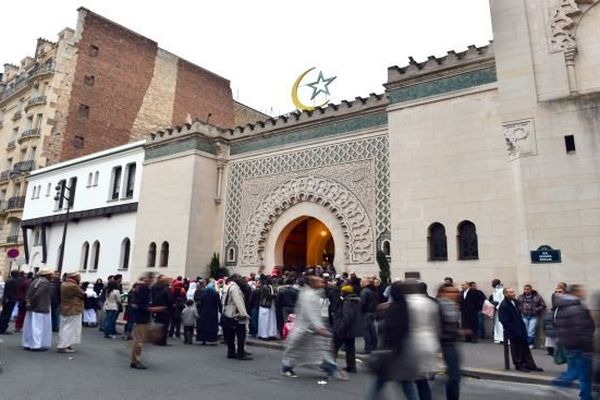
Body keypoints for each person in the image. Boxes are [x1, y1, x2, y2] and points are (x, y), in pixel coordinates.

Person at [281, 275, 347, 380]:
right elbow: (310, 312)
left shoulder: (315, 294)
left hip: (313, 329)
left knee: (321, 350)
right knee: (297, 350)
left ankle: (331, 369)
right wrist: (318, 326)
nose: (323, 284)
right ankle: (287, 367)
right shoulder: (308, 295)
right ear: (313, 283)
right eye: (320, 282)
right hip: (305, 329)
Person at [366, 281, 416, 400]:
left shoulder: (394, 309)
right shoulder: (405, 307)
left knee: (381, 382)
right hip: (402, 351)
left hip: (392, 351)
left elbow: (390, 330)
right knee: (406, 384)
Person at [553, 284, 595, 400]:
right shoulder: (576, 308)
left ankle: (561, 384)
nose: (584, 293)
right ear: (575, 293)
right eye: (581, 291)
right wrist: (588, 346)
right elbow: (581, 328)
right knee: (583, 374)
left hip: (568, 344)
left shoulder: (562, 307)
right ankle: (585, 396)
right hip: (579, 345)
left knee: (574, 371)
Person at [498, 287, 543, 372]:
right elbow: (503, 320)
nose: (513, 293)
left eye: (513, 292)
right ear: (505, 294)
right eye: (510, 292)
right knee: (516, 349)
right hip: (513, 330)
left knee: (525, 348)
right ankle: (519, 365)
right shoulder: (504, 305)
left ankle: (530, 364)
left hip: (520, 328)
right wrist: (512, 329)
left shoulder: (515, 302)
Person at [129, 273, 164, 369]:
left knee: (143, 338)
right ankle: (135, 361)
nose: (154, 280)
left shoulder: (147, 289)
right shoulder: (143, 289)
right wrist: (153, 309)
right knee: (139, 341)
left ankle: (135, 356)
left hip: (144, 317)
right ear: (148, 279)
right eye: (152, 278)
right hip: (141, 318)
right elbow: (140, 304)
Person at [437, 283, 462, 400]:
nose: (455, 294)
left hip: (451, 343)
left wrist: (459, 332)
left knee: (454, 376)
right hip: (443, 344)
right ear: (442, 294)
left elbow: (452, 326)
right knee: (454, 376)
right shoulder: (437, 306)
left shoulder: (453, 306)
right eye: (451, 292)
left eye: (456, 292)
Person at [332, 284, 362, 373]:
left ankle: (330, 365)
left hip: (344, 329)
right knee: (350, 348)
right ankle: (351, 367)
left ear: (344, 293)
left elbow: (347, 317)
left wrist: (340, 329)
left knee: (334, 346)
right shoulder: (355, 301)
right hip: (351, 329)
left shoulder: (347, 302)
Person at [221, 274, 251, 360]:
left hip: (228, 313)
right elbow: (238, 302)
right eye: (240, 278)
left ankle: (231, 352)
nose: (241, 280)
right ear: (236, 279)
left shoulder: (228, 287)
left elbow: (223, 301)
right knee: (241, 335)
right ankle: (240, 354)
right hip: (236, 315)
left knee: (230, 335)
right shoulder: (235, 288)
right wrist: (244, 314)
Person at [22, 269, 53, 351]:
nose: (52, 276)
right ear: (47, 275)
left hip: (33, 307)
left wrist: (28, 302)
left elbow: (29, 293)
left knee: (30, 326)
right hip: (40, 307)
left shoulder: (35, 280)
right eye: (51, 274)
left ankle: (28, 343)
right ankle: (36, 345)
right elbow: (37, 294)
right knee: (38, 327)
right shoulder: (45, 282)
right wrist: (31, 302)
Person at [57, 272, 85, 353]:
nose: (79, 278)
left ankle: (66, 343)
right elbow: (82, 294)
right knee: (70, 328)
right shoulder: (73, 286)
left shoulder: (64, 284)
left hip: (65, 308)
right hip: (73, 308)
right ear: (74, 277)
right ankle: (63, 345)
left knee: (65, 327)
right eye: (78, 277)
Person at [517, 284, 546, 348]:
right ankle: (524, 343)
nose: (526, 291)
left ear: (531, 289)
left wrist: (536, 309)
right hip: (524, 315)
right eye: (525, 289)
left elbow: (543, 305)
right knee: (524, 330)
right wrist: (521, 309)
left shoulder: (537, 297)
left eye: (528, 289)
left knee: (531, 331)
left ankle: (530, 343)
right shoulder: (521, 297)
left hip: (534, 316)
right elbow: (517, 305)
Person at [151, 275, 173, 346]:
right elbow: (170, 300)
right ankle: (162, 341)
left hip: (156, 308)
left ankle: (156, 340)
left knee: (158, 324)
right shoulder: (167, 289)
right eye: (168, 280)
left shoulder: (154, 287)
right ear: (165, 281)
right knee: (164, 326)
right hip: (165, 310)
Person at [360, 277, 379, 354]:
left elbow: (362, 303)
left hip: (366, 313)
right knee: (372, 330)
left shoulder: (365, 291)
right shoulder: (374, 290)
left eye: (362, 282)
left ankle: (368, 348)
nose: (360, 283)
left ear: (365, 283)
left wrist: (359, 311)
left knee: (366, 331)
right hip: (373, 312)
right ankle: (374, 346)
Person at [257, 276, 277, 340]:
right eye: (269, 279)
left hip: (271, 305)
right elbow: (267, 296)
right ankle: (263, 335)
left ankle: (271, 334)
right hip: (265, 305)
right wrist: (276, 295)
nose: (270, 279)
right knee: (264, 321)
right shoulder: (264, 287)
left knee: (271, 321)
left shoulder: (270, 286)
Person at [0, 270, 18, 334]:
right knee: (6, 315)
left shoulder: (9, 280)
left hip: (8, 299)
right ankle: (2, 329)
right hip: (10, 300)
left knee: (5, 314)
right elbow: (11, 292)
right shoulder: (12, 281)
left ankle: (2, 328)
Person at [489, 279, 504, 343]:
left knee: (501, 324)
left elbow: (502, 300)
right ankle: (498, 337)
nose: (492, 283)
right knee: (497, 324)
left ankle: (503, 338)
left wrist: (497, 306)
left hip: (501, 309)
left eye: (493, 282)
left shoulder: (501, 290)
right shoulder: (495, 290)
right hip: (497, 309)